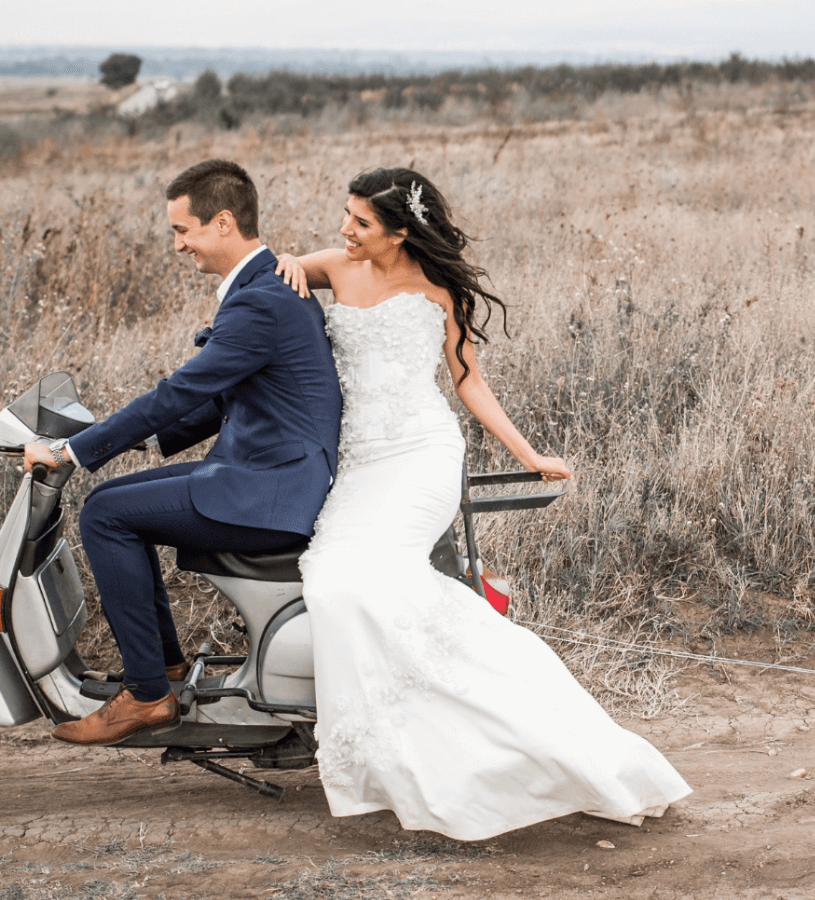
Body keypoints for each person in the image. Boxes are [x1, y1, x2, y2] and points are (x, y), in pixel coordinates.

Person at [275, 167, 690, 841]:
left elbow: (469, 382)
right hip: (359, 463)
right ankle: (404, 744)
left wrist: (529, 453)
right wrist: (289, 261)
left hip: (420, 456)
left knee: (375, 581)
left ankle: (508, 723)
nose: (344, 229)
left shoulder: (439, 291)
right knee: (330, 581)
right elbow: (275, 268)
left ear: (400, 233)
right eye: (346, 214)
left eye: (361, 222)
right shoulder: (335, 266)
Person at [23, 159, 341, 746]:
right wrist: (137, 438)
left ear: (223, 223)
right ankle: (163, 670)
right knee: (111, 500)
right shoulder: (264, 287)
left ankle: (148, 696)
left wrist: (71, 452)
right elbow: (222, 398)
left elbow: (181, 392)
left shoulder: (260, 300)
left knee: (104, 514)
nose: (177, 245)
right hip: (268, 472)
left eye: (182, 230)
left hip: (272, 490)